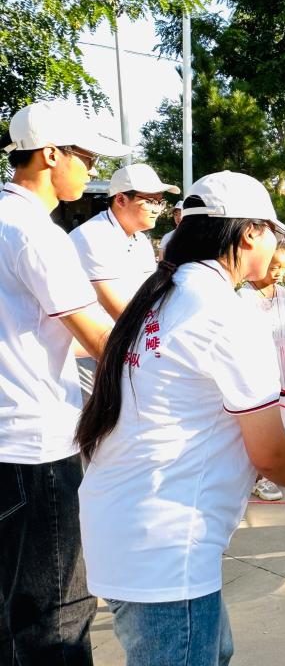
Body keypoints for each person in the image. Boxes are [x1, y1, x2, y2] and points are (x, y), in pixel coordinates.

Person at [76, 171, 285, 666]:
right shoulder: (226, 314)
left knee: (214, 648)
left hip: (127, 528)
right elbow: (270, 454)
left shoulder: (162, 294)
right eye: (272, 233)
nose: (275, 246)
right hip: (165, 547)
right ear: (249, 234)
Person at [0, 100, 123, 665]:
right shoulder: (35, 233)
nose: (91, 169)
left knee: (12, 612)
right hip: (36, 448)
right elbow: (98, 337)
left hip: (9, 442)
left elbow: (36, 331)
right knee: (58, 617)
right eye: (87, 157)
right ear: (50, 154)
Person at [70, 163, 181, 398]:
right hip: (90, 350)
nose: (157, 209)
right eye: (150, 201)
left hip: (123, 346)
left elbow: (148, 297)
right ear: (120, 199)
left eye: (160, 202)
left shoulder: (140, 241)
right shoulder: (92, 236)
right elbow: (118, 309)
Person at [239, 247, 285, 501]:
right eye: (272, 267)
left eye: (282, 267)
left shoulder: (282, 293)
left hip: (282, 366)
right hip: (258, 365)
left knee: (284, 418)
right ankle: (259, 478)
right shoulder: (244, 296)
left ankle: (275, 471)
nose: (278, 272)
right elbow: (241, 338)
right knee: (265, 419)